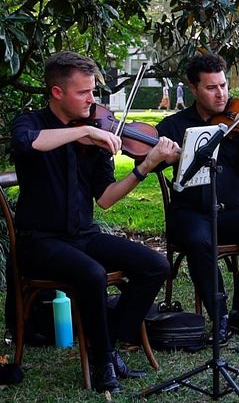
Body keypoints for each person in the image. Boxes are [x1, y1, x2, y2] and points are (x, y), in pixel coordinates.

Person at [11, 51, 175, 392]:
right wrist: (84, 129)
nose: (92, 100)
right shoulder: (30, 122)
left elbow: (106, 198)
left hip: (83, 235)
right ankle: (103, 363)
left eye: (93, 92)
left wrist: (144, 167)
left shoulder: (96, 139)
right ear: (58, 93)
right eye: (83, 93)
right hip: (38, 241)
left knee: (155, 265)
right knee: (91, 272)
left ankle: (107, 341)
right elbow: (29, 143)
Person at [156, 53, 239, 344]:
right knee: (200, 241)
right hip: (189, 213)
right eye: (211, 88)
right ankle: (220, 317)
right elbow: (154, 163)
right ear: (193, 87)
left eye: (223, 85)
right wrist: (163, 154)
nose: (221, 93)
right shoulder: (174, 125)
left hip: (229, 213)